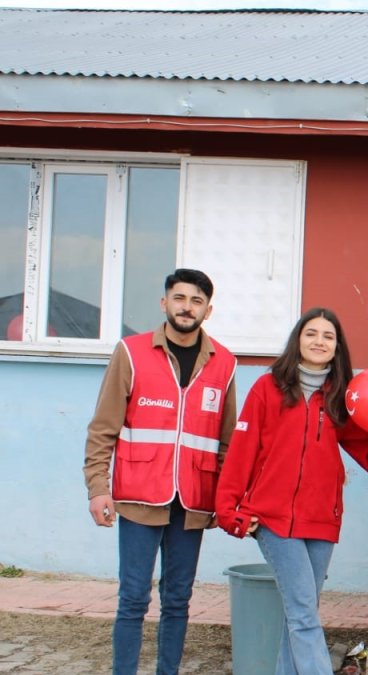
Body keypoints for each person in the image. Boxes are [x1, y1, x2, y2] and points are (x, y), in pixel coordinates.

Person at [215, 307, 368, 675]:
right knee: (303, 615)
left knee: (301, 614)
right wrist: (228, 508)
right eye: (311, 333)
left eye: (328, 336)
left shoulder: (341, 396)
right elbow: (242, 450)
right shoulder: (268, 388)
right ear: (298, 339)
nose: (319, 341)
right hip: (273, 518)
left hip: (321, 519)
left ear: (337, 347)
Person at [83, 268, 237, 675]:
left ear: (208, 309)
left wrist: (224, 500)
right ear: (164, 302)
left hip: (192, 503)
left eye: (197, 301)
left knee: (178, 600)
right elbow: (103, 429)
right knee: (133, 598)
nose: (187, 307)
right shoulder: (131, 352)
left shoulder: (225, 364)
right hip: (137, 497)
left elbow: (227, 445)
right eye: (180, 298)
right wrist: (98, 488)